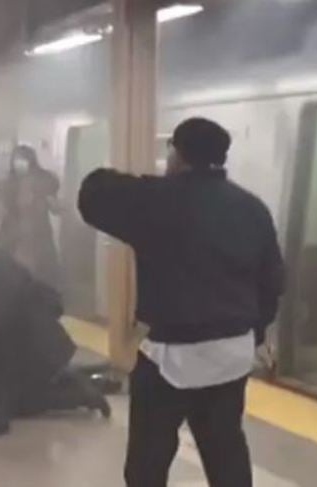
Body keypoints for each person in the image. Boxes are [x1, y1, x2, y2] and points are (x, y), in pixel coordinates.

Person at [78, 118, 284, 487]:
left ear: (177, 153)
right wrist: (251, 333)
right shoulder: (253, 208)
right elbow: (272, 282)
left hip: (172, 355)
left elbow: (92, 193)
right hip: (231, 354)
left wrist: (146, 182)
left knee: (148, 459)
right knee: (226, 450)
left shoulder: (156, 200)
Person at [0, 230, 110, 419]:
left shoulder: (1, 269)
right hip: (16, 353)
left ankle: (84, 393)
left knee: (30, 398)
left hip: (37, 343)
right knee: (19, 405)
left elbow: (1, 320)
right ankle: (83, 385)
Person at [0, 144, 62, 291]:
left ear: (31, 160)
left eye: (23, 159)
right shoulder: (8, 183)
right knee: (12, 274)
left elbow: (57, 209)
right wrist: (0, 204)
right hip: (12, 236)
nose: (19, 163)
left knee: (42, 275)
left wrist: (50, 201)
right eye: (16, 159)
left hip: (38, 235)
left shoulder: (44, 180)